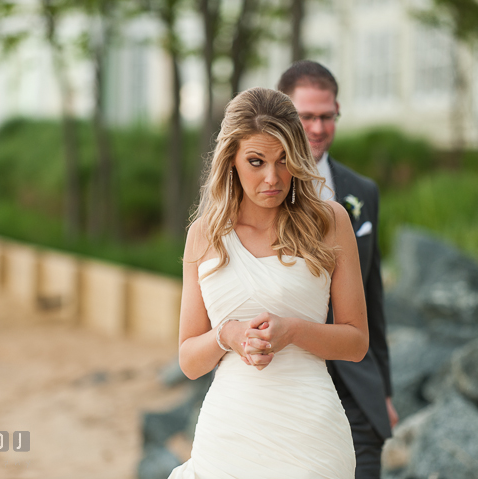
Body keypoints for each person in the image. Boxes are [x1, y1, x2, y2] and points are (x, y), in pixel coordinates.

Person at [169, 87, 369, 478]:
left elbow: (357, 342)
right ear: (231, 160)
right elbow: (189, 361)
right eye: (256, 161)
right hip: (227, 438)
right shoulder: (203, 235)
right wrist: (227, 335)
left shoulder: (329, 222)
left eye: (283, 160)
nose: (272, 177)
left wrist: (292, 331)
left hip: (311, 438)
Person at [278, 60, 399, 479]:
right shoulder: (261, 193)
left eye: (326, 116)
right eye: (305, 116)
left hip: (356, 392)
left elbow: (372, 298)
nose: (316, 128)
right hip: (286, 386)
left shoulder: (362, 193)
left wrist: (382, 390)